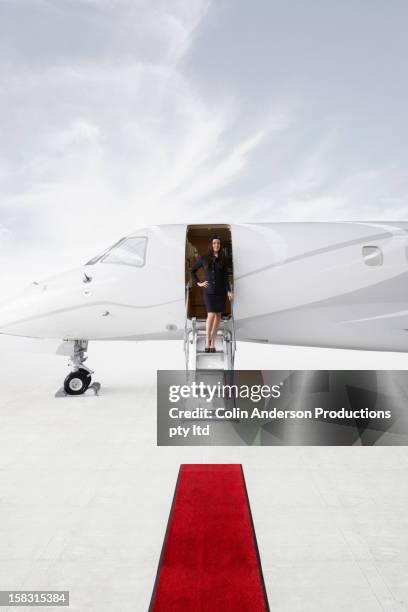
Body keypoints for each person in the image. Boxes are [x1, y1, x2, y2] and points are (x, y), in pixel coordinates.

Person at [190, 234, 233, 352]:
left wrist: (228, 291)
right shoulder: (204, 258)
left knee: (218, 316)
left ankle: (213, 341)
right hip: (209, 292)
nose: (216, 245)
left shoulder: (223, 259)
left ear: (220, 245)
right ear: (211, 245)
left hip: (221, 292)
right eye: (214, 243)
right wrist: (198, 283)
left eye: (218, 243)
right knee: (211, 315)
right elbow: (192, 270)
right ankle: (207, 340)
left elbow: (225, 277)